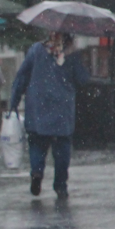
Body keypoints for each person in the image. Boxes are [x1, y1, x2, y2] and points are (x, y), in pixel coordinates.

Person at [9, 32, 90, 198]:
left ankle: (37, 172)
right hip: (62, 110)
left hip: (37, 107)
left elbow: (22, 77)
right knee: (62, 150)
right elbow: (83, 79)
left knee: (37, 144)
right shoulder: (72, 54)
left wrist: (14, 102)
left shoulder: (36, 50)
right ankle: (60, 185)